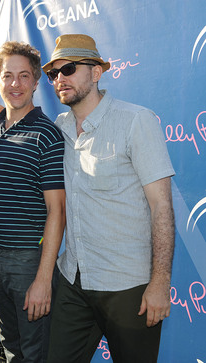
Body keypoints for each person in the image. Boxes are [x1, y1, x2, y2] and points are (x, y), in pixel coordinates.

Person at [41, 34, 175, 362]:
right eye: (53, 73)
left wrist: (160, 283)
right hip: (73, 279)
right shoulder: (58, 128)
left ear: (96, 73)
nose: (60, 79)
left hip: (128, 287)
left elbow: (161, 205)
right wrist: (2, 111)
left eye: (69, 69)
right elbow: (23, 124)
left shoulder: (135, 121)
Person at [0, 41, 65, 363]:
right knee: (12, 345)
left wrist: (43, 279)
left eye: (24, 76)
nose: (15, 84)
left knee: (35, 352)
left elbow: (57, 211)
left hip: (29, 262)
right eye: (7, 76)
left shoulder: (47, 135)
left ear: (35, 82)